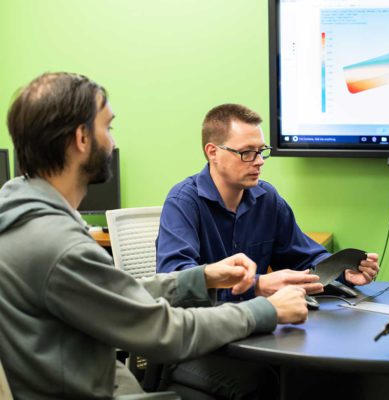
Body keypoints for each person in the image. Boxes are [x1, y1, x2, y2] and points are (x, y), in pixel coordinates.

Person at [0, 72, 308, 399]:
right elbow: (163, 331)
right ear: (82, 138)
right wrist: (266, 311)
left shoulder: (25, 214)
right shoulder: (59, 245)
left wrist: (203, 277)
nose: (113, 142)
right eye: (108, 127)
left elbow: (116, 294)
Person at [155, 103, 380, 301]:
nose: (259, 161)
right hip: (204, 329)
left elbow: (304, 257)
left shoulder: (267, 198)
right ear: (212, 152)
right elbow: (176, 280)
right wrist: (257, 285)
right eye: (246, 153)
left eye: (261, 151)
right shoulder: (183, 202)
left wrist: (343, 271)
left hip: (258, 323)